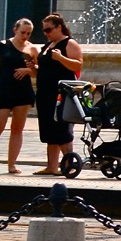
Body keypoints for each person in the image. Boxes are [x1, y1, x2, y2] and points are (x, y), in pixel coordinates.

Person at [33, 14, 82, 174]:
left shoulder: (69, 43)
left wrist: (60, 58)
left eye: (49, 29)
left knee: (62, 129)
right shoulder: (49, 45)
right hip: (45, 93)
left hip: (61, 94)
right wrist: (33, 69)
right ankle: (52, 167)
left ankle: (69, 164)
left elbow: (78, 64)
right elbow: (47, 69)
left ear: (59, 27)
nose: (46, 33)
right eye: (44, 30)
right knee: (49, 129)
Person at [0, 18, 36, 172]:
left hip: (23, 92)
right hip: (4, 89)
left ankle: (12, 164)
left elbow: (39, 71)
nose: (25, 36)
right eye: (23, 32)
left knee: (17, 128)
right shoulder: (3, 45)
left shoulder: (32, 49)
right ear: (15, 30)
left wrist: (28, 70)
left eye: (29, 33)